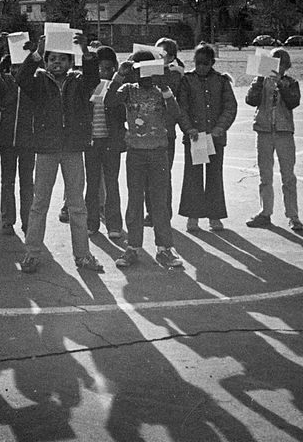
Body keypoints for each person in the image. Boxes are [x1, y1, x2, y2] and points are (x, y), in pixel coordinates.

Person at [17, 32, 104, 274]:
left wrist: (86, 52)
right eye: (52, 59)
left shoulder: (78, 81)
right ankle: (32, 253)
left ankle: (83, 255)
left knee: (77, 205)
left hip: (73, 149)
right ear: (45, 62)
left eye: (62, 59)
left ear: (71, 62)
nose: (57, 63)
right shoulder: (38, 82)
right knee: (39, 203)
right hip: (46, 149)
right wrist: (36, 53)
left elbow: (93, 78)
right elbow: (21, 79)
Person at [109, 50, 184, 269]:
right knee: (135, 200)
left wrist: (166, 88)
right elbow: (110, 100)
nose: (146, 77)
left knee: (159, 201)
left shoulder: (162, 91)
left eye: (150, 70)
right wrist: (120, 75)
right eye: (141, 70)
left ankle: (164, 248)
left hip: (158, 151)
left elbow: (175, 115)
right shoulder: (128, 89)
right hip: (136, 152)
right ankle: (133, 246)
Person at [177, 43, 237, 232]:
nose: (202, 66)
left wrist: (220, 127)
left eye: (206, 63)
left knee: (214, 177)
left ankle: (214, 216)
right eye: (198, 62)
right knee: (193, 177)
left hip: (215, 137)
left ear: (212, 62)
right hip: (195, 138)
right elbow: (182, 108)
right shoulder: (187, 80)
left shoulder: (221, 81)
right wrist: (189, 129)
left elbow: (230, 106)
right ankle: (192, 216)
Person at [244, 48, 303, 231]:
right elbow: (250, 100)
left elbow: (293, 102)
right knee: (265, 175)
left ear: (286, 67)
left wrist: (282, 85)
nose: (278, 69)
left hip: (284, 131)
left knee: (288, 176)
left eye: (282, 65)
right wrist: (260, 80)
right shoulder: (261, 82)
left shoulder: (291, 83)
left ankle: (293, 215)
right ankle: (265, 212)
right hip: (264, 131)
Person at [0, 52, 36, 235]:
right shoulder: (2, 81)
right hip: (7, 140)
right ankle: (7, 221)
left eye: (20, 66)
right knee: (7, 182)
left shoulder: (33, 81)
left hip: (28, 141)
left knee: (27, 183)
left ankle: (28, 220)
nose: (17, 70)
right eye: (14, 66)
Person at [84, 45, 125, 239]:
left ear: (115, 68)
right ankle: (91, 222)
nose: (104, 72)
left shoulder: (118, 86)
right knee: (92, 184)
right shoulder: (88, 84)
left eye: (109, 69)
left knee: (112, 183)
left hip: (111, 142)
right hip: (92, 142)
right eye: (100, 68)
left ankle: (114, 224)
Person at [143, 37, 185, 227]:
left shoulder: (175, 73)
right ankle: (151, 212)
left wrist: (168, 72)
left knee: (162, 176)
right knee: (146, 176)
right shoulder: (148, 68)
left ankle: (163, 213)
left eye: (163, 54)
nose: (158, 57)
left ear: (171, 57)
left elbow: (172, 94)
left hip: (165, 131)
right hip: (145, 130)